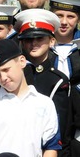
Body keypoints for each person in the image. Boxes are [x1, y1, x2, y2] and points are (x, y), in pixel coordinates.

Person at [0, 39, 61, 157]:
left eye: (6, 69)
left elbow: (50, 148)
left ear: (22, 61)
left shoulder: (44, 104)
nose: (3, 78)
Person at [14, 9, 70, 155]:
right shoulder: (14, 74)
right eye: (28, 39)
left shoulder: (57, 80)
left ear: (52, 41)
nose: (34, 43)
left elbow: (62, 130)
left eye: (40, 38)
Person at [47, 0, 80, 80]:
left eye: (70, 17)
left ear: (78, 19)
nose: (64, 22)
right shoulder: (41, 43)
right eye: (59, 16)